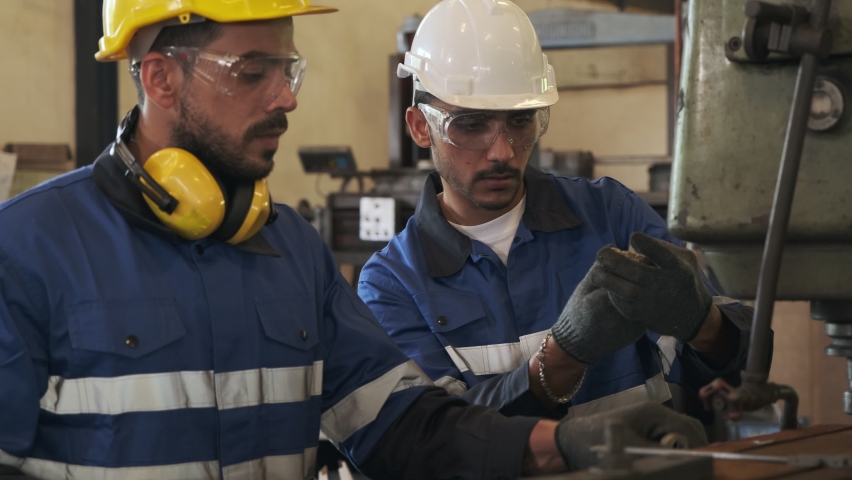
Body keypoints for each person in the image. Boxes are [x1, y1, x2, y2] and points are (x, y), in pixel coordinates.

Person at [0, 1, 711, 479]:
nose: (287, 98)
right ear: (159, 76)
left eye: (289, 69)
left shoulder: (292, 255)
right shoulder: (29, 251)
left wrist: (560, 441)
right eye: (253, 72)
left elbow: (403, 429)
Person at [358, 0, 761, 421]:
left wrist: (706, 324)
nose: (503, 151)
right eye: (472, 124)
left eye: (520, 121)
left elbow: (745, 366)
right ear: (422, 127)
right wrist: (565, 353)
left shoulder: (610, 215)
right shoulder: (392, 284)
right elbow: (437, 437)